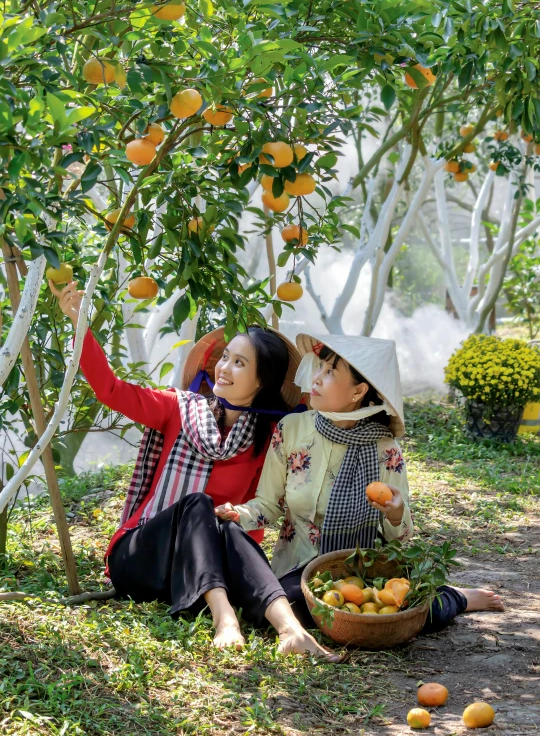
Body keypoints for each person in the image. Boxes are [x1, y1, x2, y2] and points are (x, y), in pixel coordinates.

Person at [50, 281, 341, 658]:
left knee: (230, 527)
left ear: (262, 381)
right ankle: (225, 621)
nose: (223, 368)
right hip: (140, 558)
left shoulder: (268, 438)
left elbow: (255, 518)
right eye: (225, 357)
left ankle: (292, 632)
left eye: (239, 362)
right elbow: (111, 390)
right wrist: (79, 324)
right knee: (197, 503)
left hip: (193, 573)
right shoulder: (178, 408)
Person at [215, 333, 504, 635]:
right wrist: (238, 514)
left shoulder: (383, 448)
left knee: (409, 613)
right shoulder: (292, 429)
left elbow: (400, 537)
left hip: (362, 569)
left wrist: (394, 513)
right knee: (276, 612)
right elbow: (268, 505)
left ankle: (454, 597)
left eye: (330, 372)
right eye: (319, 367)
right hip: (298, 567)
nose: (316, 378)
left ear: (358, 391)